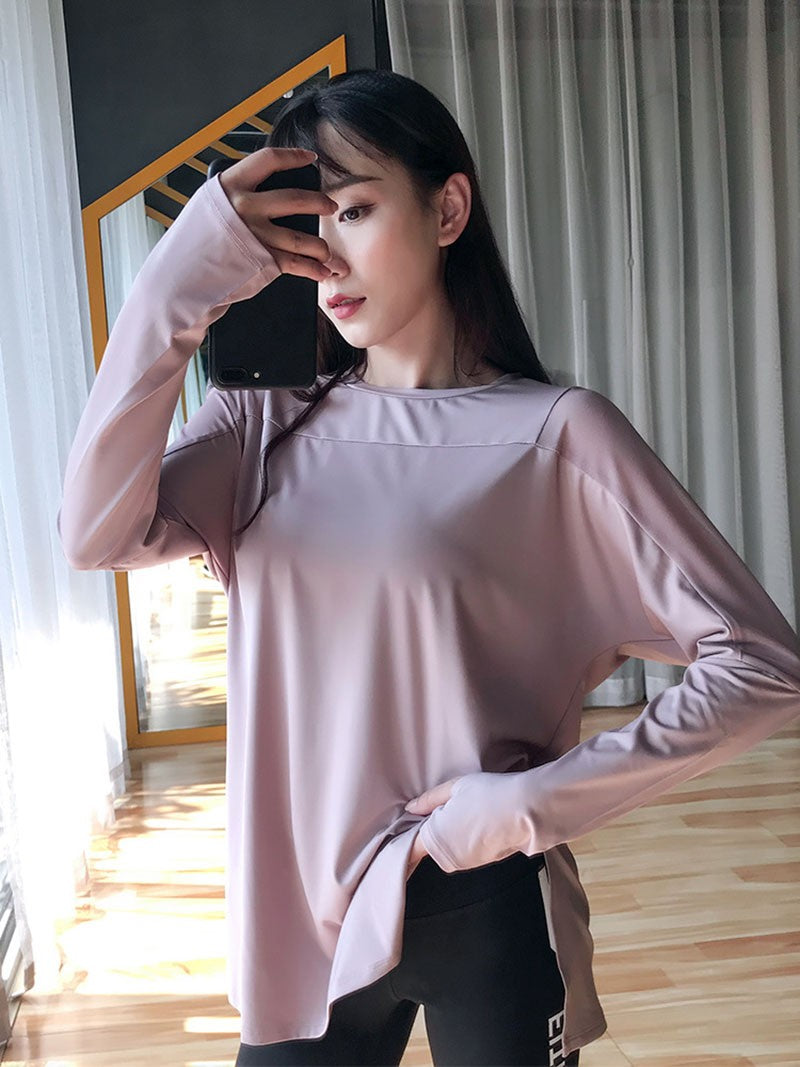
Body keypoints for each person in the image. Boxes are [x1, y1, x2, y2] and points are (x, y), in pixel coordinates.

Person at [56, 68, 800, 1066]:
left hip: (483, 895)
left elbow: (759, 665)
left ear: (447, 210)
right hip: (300, 912)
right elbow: (92, 534)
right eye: (306, 225)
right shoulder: (259, 425)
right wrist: (170, 287)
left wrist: (531, 802)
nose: (328, 255)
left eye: (356, 210)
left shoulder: (553, 435)